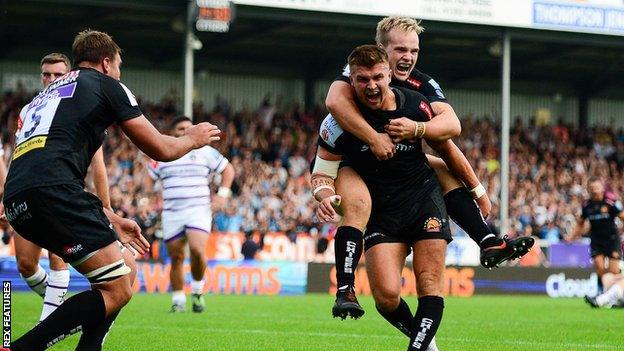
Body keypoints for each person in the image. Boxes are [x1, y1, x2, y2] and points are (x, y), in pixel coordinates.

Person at [7, 29, 221, 350]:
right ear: (107, 63)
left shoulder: (42, 99)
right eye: (119, 65)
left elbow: (50, 160)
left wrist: (108, 216)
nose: (119, 72)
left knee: (126, 268)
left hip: (17, 199)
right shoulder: (106, 85)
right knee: (118, 288)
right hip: (54, 193)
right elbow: (161, 148)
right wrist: (193, 138)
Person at [323, 16, 534, 318]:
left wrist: (476, 188)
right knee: (361, 214)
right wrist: (373, 138)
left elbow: (450, 129)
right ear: (381, 49)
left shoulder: (420, 85)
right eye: (399, 50)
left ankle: (487, 241)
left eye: (414, 50)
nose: (407, 57)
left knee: (438, 166)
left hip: (402, 169)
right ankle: (346, 287)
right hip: (355, 164)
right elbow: (334, 102)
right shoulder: (362, 72)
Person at [312, 45, 457, 350]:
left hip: (422, 198)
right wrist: (323, 195)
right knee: (387, 297)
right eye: (362, 79)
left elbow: (447, 142)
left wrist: (476, 189)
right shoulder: (336, 122)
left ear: (389, 75)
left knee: (430, 284)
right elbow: (322, 172)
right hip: (383, 209)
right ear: (350, 80)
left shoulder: (416, 105)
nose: (372, 85)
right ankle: (425, 342)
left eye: (378, 77)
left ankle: (419, 347)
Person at [0, 53, 115, 324]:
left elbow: (98, 163)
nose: (50, 79)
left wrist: (107, 206)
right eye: (46, 74)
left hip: (63, 191)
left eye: (57, 74)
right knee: (26, 265)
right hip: (30, 190)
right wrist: (7, 196)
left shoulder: (80, 105)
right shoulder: (29, 110)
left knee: (57, 257)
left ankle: (48, 324)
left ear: (69, 75)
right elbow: (20, 155)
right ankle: (60, 311)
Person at [146, 116, 235, 313]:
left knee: (197, 250)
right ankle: (178, 300)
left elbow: (228, 170)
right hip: (172, 212)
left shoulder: (205, 152)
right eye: (180, 128)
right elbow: (148, 180)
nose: (184, 131)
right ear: (173, 132)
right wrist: (147, 200)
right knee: (176, 257)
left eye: (188, 127)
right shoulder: (162, 152)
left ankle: (197, 289)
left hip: (198, 209)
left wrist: (223, 195)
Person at [567, 178, 623, 291]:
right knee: (600, 267)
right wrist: (571, 237)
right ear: (589, 189)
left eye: (597, 187)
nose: (595, 190)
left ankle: (616, 291)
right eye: (592, 188)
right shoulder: (587, 206)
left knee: (614, 270)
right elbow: (580, 223)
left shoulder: (610, 202)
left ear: (602, 188)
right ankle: (601, 291)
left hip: (612, 240)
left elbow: (622, 216)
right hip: (597, 240)